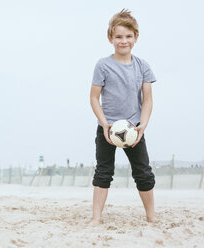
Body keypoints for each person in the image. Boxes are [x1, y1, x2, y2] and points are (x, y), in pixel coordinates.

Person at [89, 9, 156, 224]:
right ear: (110, 38)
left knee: (143, 172)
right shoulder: (103, 65)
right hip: (108, 128)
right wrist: (104, 124)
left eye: (128, 36)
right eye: (118, 36)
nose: (123, 41)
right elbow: (93, 98)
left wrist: (142, 125)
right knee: (103, 172)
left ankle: (151, 215)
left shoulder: (143, 66)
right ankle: (96, 218)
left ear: (136, 38)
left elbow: (147, 100)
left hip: (133, 128)